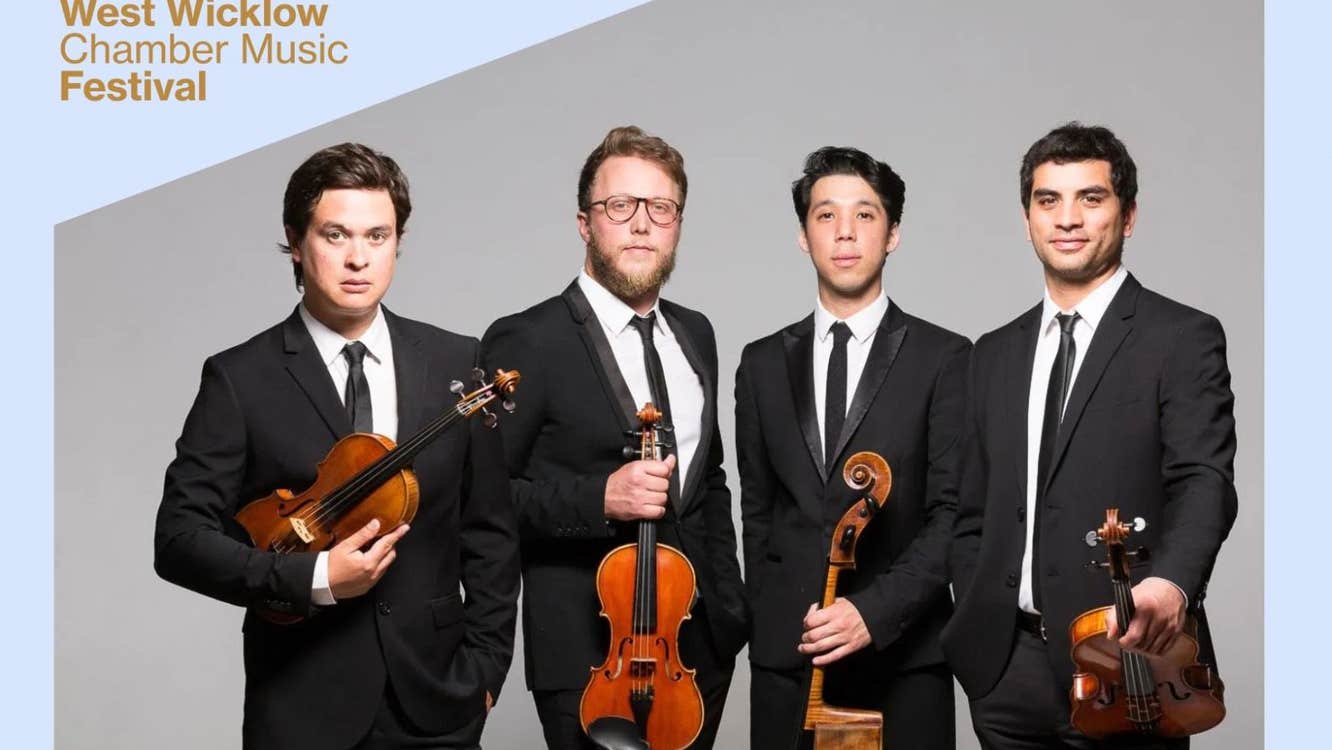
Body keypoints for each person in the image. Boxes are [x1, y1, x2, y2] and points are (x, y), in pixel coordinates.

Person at [154, 143, 520, 750]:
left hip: (438, 701)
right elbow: (179, 540)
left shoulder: (458, 361)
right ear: (296, 243)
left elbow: (490, 533)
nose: (358, 258)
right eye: (335, 235)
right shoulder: (240, 378)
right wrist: (315, 575)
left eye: (378, 236)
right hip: (301, 701)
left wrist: (484, 672)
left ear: (398, 243)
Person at [943, 123, 1238, 749]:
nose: (1067, 218)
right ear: (1027, 219)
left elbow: (1204, 481)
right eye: (1048, 200)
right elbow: (971, 510)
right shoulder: (991, 355)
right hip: (1003, 671)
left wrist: (1174, 583)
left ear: (1127, 217)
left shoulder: (1182, 337)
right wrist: (977, 633)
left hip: (1128, 667)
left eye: (1091, 198)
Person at [481, 125, 748, 750]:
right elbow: (484, 503)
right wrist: (598, 499)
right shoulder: (527, 340)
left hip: (696, 647)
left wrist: (729, 611)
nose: (641, 225)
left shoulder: (696, 333)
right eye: (619, 206)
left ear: (678, 224)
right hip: (586, 654)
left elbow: (708, 481)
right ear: (584, 222)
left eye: (661, 208)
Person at [735, 146, 968, 749]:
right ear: (803, 236)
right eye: (825, 215)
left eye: (865, 216)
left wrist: (874, 612)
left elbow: (953, 516)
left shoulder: (945, 358)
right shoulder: (759, 364)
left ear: (892, 235)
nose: (844, 233)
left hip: (904, 657)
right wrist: (773, 614)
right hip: (789, 657)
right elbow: (757, 514)